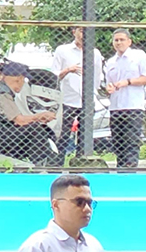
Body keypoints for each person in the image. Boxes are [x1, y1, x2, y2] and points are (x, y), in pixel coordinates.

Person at [0, 61, 56, 164]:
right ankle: (43, 165)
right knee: (35, 129)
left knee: (33, 129)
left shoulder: (0, 89)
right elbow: (19, 120)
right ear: (19, 79)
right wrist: (39, 116)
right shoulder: (1, 92)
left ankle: (40, 163)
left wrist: (37, 118)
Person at [102, 29, 146, 169]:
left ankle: (130, 172)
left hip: (133, 106)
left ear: (129, 41)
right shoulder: (111, 62)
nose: (119, 43)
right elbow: (108, 83)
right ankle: (121, 172)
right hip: (115, 107)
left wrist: (128, 82)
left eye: (122, 39)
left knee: (131, 142)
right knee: (118, 144)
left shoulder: (138, 56)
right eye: (116, 40)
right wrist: (109, 88)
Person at [52, 27, 102, 158]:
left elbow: (97, 76)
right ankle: (57, 163)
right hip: (67, 99)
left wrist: (94, 94)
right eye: (81, 30)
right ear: (74, 32)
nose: (83, 34)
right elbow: (54, 74)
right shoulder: (62, 50)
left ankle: (81, 162)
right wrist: (68, 70)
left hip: (86, 100)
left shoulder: (95, 53)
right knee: (62, 135)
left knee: (85, 136)